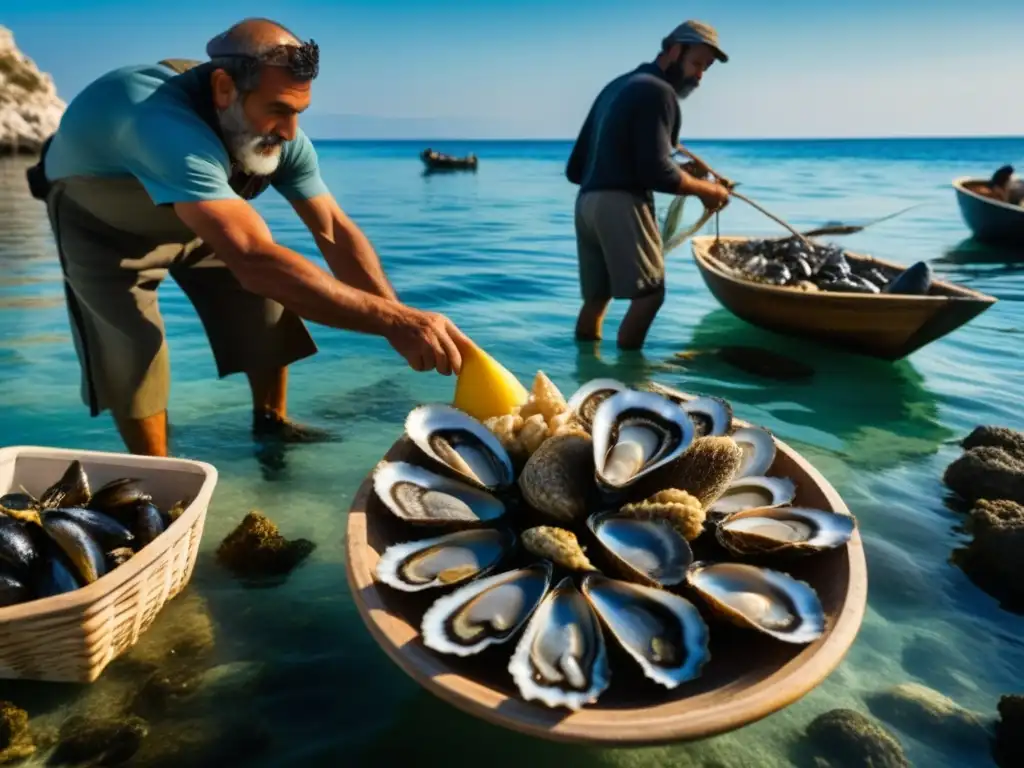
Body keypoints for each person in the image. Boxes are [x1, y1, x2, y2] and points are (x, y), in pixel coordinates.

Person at [27, 18, 471, 458]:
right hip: (101, 224)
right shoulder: (165, 128)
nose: (290, 131)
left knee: (266, 308)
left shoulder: (280, 132)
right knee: (135, 347)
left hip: (199, 215)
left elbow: (333, 230)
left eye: (298, 112)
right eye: (278, 109)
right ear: (224, 89)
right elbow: (254, 259)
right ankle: (157, 478)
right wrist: (393, 323)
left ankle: (271, 427)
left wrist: (399, 318)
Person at [565, 20, 733, 350]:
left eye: (706, 68)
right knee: (649, 295)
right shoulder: (658, 92)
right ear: (673, 50)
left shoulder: (618, 86)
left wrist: (682, 171)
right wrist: (710, 191)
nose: (700, 75)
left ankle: (585, 381)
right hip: (620, 204)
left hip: (586, 203)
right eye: (696, 63)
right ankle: (630, 384)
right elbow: (658, 174)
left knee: (598, 298)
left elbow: (576, 168)